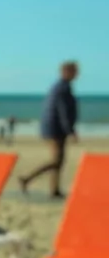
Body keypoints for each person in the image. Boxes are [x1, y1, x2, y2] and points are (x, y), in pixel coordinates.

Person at [20, 61, 80, 198]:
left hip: (54, 127)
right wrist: (70, 131)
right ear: (67, 72)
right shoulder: (63, 88)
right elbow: (63, 111)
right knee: (57, 160)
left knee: (58, 160)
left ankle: (54, 189)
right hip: (55, 128)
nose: (77, 74)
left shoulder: (61, 86)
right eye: (75, 71)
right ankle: (27, 179)